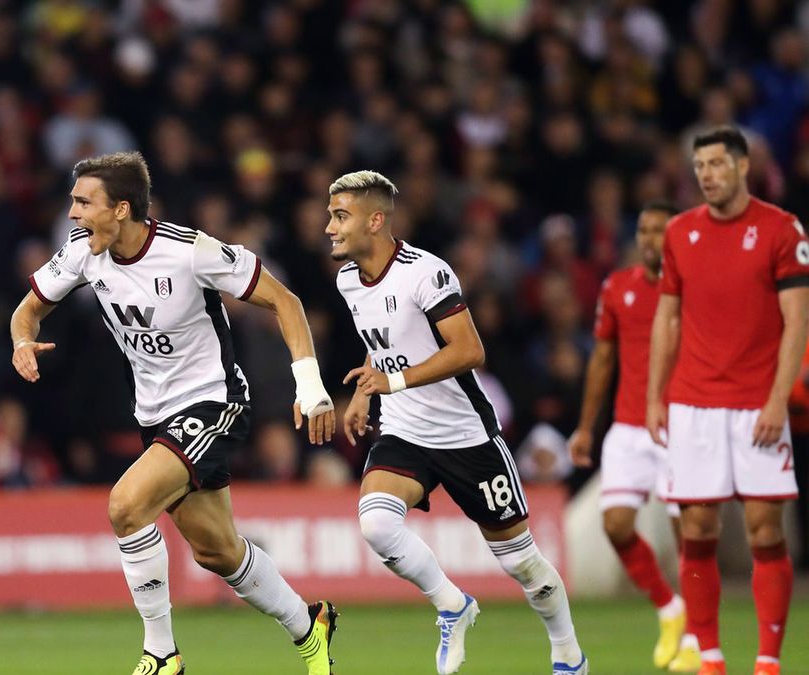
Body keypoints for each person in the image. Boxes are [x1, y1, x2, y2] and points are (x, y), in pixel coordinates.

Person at [10, 151, 338, 675]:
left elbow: (287, 301)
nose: (71, 214)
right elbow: (26, 310)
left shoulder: (191, 252)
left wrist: (310, 385)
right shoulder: (81, 251)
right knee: (218, 552)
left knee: (125, 505)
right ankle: (309, 624)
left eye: (81, 202)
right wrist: (23, 341)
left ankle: (162, 654)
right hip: (155, 416)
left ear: (121, 209)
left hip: (214, 402)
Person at [328, 170, 586, 675]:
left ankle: (568, 653)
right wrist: (365, 390)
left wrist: (393, 381)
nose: (329, 227)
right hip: (404, 431)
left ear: (375, 220)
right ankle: (452, 604)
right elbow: (383, 340)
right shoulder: (346, 280)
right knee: (377, 524)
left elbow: (470, 351)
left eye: (341, 216)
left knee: (521, 564)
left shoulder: (426, 272)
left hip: (466, 436)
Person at [647, 126, 807, 675]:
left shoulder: (781, 229)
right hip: (693, 404)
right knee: (695, 529)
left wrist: (777, 399)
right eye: (699, 166)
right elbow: (666, 319)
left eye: (716, 163)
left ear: (742, 166)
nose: (707, 175)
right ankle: (710, 657)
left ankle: (767, 660)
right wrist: (655, 397)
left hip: (756, 405)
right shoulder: (679, 233)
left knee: (765, 529)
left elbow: (797, 323)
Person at [568, 201, 699, 671]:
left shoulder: (694, 287)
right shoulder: (617, 286)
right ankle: (670, 608)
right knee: (616, 525)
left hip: (681, 423)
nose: (649, 239)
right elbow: (602, 359)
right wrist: (586, 426)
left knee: (690, 535)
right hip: (627, 427)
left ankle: (699, 640)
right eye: (643, 230)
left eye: (659, 231)